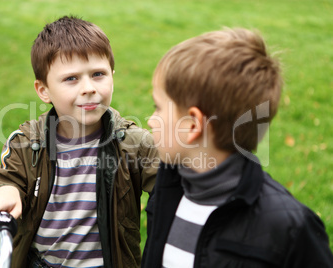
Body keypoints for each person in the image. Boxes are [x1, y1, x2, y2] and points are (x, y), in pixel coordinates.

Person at [0, 15, 158, 268]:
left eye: (98, 74)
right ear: (43, 90)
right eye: (71, 78)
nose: (88, 87)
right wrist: (2, 195)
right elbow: (0, 185)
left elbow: (174, 186)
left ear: (113, 75)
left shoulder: (133, 143)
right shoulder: (26, 144)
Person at [142, 28, 333, 267]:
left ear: (192, 126)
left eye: (158, 108)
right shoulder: (169, 186)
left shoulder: (289, 228)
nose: (150, 119)